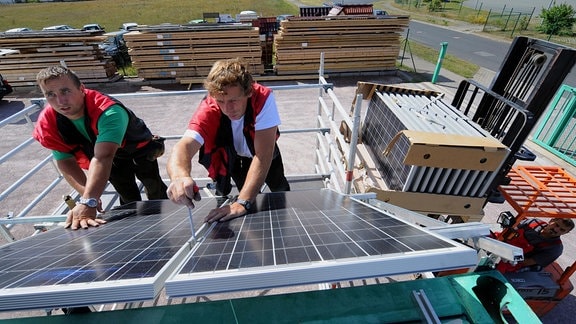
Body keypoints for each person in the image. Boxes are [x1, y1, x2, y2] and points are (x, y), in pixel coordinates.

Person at [33, 66, 168, 230]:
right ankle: (136, 229)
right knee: (126, 193)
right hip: (111, 159)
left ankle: (164, 218)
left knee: (153, 186)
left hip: (138, 150)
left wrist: (89, 200)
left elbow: (103, 157)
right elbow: (65, 161)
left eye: (65, 91)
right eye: (50, 94)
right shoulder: (50, 122)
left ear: (81, 88)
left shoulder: (109, 111)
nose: (60, 101)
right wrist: (87, 195)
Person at [167, 58, 290, 223]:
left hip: (265, 154)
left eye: (233, 100)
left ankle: (285, 221)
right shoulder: (209, 106)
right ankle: (258, 229)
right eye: (220, 101)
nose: (227, 109)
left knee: (279, 188)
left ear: (248, 92)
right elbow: (183, 146)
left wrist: (242, 201)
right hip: (235, 157)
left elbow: (263, 154)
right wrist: (179, 176)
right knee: (246, 196)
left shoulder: (263, 98)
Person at [493, 217, 574, 273]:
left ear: (566, 233)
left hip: (513, 261)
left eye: (562, 230)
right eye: (556, 225)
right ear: (551, 220)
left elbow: (526, 262)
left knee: (493, 268)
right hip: (504, 244)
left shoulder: (554, 248)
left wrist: (504, 255)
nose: (556, 229)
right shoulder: (533, 222)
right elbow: (511, 230)